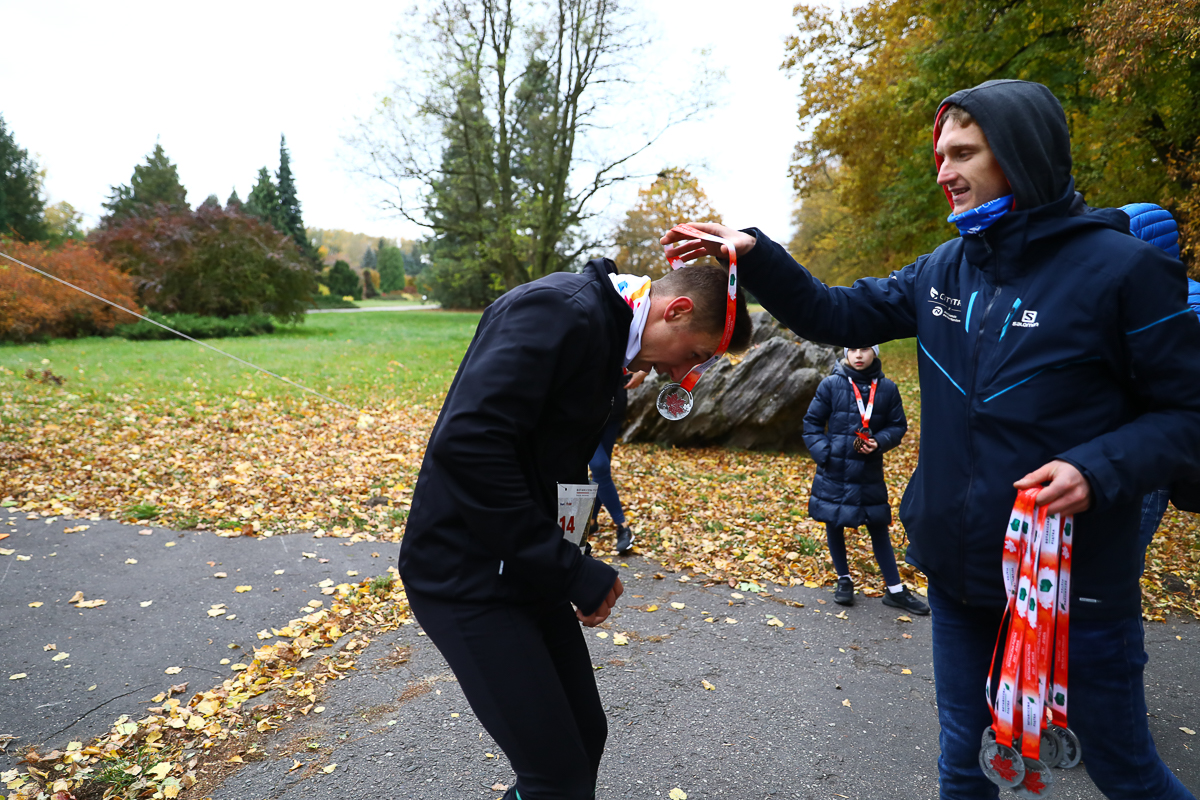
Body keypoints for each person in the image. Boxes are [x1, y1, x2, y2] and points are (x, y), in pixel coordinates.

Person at [663, 80, 1200, 799]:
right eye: (940, 155)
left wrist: (1095, 468)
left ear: (1022, 155)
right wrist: (754, 254)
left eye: (963, 153)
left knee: (1123, 770)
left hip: (1073, 583)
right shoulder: (944, 268)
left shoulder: (1126, 269)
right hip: (958, 569)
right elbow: (835, 313)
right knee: (960, 760)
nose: (944, 171)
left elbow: (1187, 416)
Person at [398, 258, 752, 800]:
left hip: (526, 568)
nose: (684, 375)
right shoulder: (561, 312)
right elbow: (468, 446)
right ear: (676, 311)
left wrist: (571, 552)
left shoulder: (609, 339)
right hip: (463, 572)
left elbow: (566, 463)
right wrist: (566, 567)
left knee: (586, 737)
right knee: (556, 777)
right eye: (697, 355)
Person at [803, 344, 928, 614]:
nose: (858, 355)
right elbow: (811, 423)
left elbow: (897, 426)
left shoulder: (887, 389)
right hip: (834, 469)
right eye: (853, 349)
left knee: (878, 524)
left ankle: (895, 590)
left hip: (869, 471)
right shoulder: (831, 384)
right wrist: (825, 454)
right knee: (833, 520)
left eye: (865, 349)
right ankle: (843, 579)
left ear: (875, 353)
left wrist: (879, 442)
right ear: (846, 353)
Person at [586, 369, 645, 555]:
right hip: (584, 406)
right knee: (599, 465)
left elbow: (641, 342)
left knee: (601, 472)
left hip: (615, 399)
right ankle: (622, 525)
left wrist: (644, 371)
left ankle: (591, 521)